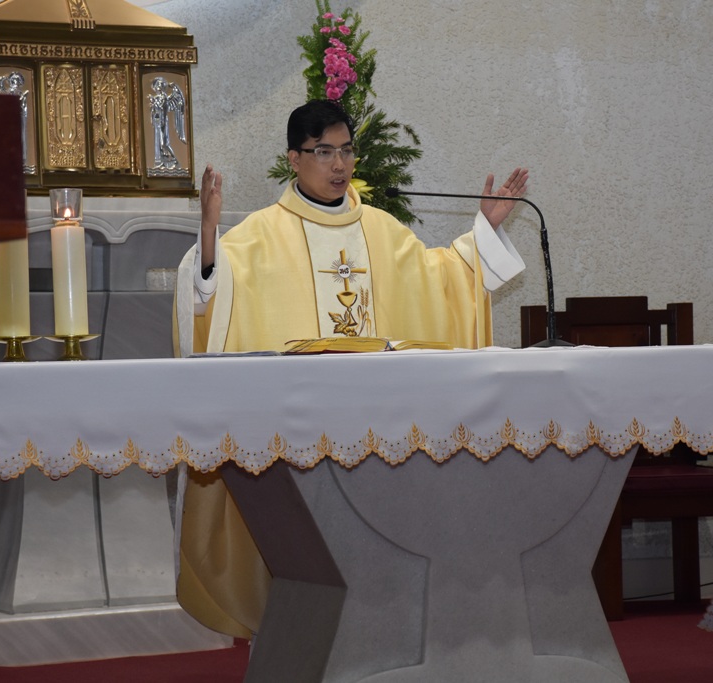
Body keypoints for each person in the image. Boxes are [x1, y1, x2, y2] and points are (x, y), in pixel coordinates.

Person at [172, 99, 530, 638]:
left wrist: (485, 233)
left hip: (376, 433)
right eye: (323, 152)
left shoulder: (383, 232)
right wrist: (207, 235)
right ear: (294, 158)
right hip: (298, 436)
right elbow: (208, 293)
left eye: (345, 150)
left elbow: (440, 280)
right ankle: (302, 629)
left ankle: (382, 628)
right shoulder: (256, 237)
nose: (339, 164)